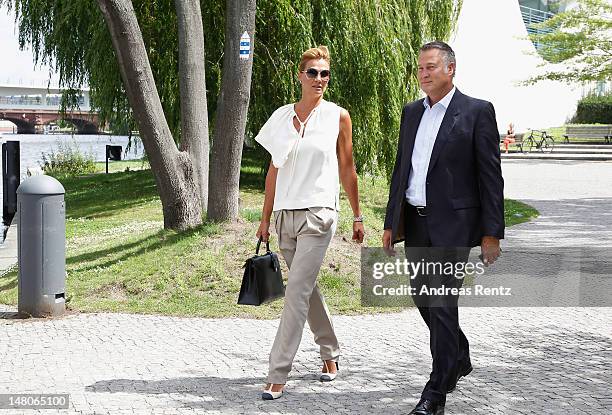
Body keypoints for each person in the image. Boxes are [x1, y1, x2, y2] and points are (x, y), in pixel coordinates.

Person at [382, 41, 504, 415]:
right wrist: (391, 222)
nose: (423, 74)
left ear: (451, 69)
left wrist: (491, 232)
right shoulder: (411, 113)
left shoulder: (477, 112)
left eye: (431, 67)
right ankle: (459, 354)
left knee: (441, 302)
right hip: (416, 225)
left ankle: (435, 393)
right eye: (420, 68)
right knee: (423, 298)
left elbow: (490, 177)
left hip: (455, 226)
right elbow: (402, 169)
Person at [255, 45, 364, 400]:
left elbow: (347, 168)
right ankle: (330, 353)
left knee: (296, 294)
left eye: (325, 74)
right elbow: (274, 170)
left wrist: (357, 214)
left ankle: (277, 374)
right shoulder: (281, 117)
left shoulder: (338, 117)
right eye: (313, 73)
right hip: (285, 216)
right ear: (299, 76)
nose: (319, 79)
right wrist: (265, 217)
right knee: (306, 288)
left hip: (320, 213)